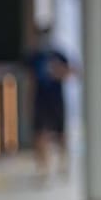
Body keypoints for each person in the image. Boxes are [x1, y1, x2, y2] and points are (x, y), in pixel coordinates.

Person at [26, 25, 73, 181]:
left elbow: (71, 72)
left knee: (60, 133)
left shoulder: (58, 55)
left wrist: (58, 71)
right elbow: (31, 78)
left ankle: (63, 163)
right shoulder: (34, 56)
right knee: (40, 133)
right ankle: (43, 167)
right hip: (41, 99)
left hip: (56, 99)